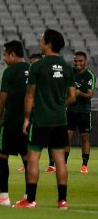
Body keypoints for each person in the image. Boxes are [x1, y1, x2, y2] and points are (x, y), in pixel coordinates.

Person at [15, 29, 76, 209]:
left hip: (41, 119)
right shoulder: (66, 67)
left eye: (42, 40)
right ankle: (62, 200)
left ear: (48, 44)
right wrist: (61, 106)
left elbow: (30, 95)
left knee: (33, 157)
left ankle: (31, 199)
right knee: (60, 160)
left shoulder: (37, 66)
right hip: (60, 119)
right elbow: (72, 96)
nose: (40, 43)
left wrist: (26, 119)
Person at [0, 41, 30, 206]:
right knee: (28, 159)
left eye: (5, 55)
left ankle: (4, 197)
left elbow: (2, 99)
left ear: (12, 55)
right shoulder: (32, 70)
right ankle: (28, 197)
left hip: (11, 121)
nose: (4, 58)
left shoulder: (9, 72)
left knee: (1, 156)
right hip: (28, 123)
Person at [64, 51, 94, 174]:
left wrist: (79, 93)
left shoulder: (89, 75)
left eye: (80, 61)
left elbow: (90, 95)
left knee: (84, 138)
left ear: (85, 61)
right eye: (76, 61)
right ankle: (63, 164)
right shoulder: (70, 73)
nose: (77, 63)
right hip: (70, 110)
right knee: (67, 138)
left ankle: (84, 165)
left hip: (84, 112)